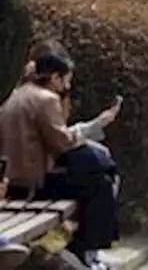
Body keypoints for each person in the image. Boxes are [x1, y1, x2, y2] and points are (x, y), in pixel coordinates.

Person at [0, 53, 120, 268]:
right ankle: (86, 249)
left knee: (96, 174)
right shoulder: (46, 99)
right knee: (100, 183)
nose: (67, 85)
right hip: (35, 184)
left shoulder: (16, 95)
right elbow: (62, 142)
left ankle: (85, 249)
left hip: (15, 181)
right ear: (55, 77)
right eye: (67, 79)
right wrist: (87, 134)